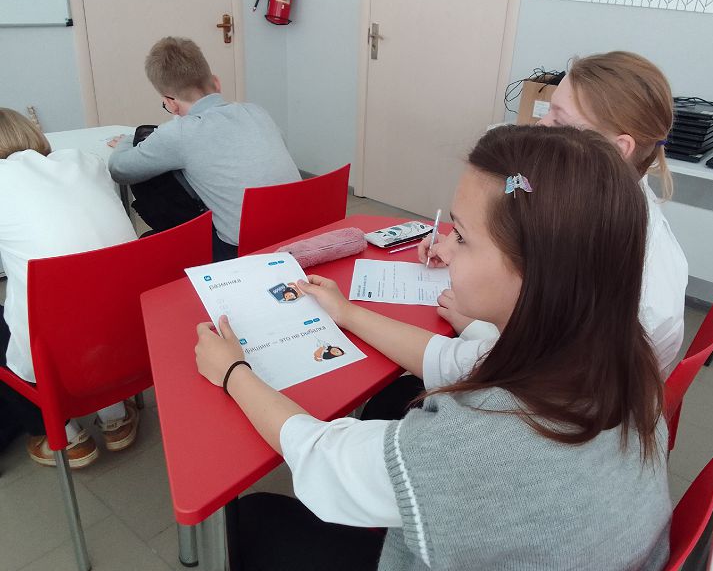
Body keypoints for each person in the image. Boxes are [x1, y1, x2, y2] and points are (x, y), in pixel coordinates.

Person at [194, 125, 671, 570]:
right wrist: (347, 313)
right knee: (395, 399)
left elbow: (322, 459)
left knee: (253, 517)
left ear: (535, 271)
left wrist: (234, 372)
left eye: (461, 236)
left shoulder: (480, 440)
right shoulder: (617, 353)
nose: (445, 247)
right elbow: (450, 359)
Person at [419, 50, 688, 378]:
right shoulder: (589, 201)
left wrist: (478, 328)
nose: (540, 126)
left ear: (618, 149)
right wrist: (462, 240)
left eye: (559, 122)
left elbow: (556, 376)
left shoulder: (640, 292)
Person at [0, 108, 140, 467]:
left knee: (35, 305)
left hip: (57, 352)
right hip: (135, 335)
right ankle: (115, 417)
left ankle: (64, 434)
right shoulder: (85, 162)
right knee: (88, 286)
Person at [107, 36, 301, 261]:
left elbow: (119, 169)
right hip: (303, 233)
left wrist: (127, 140)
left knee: (154, 230)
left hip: (241, 251)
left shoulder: (179, 132)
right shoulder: (256, 112)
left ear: (171, 103)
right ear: (216, 83)